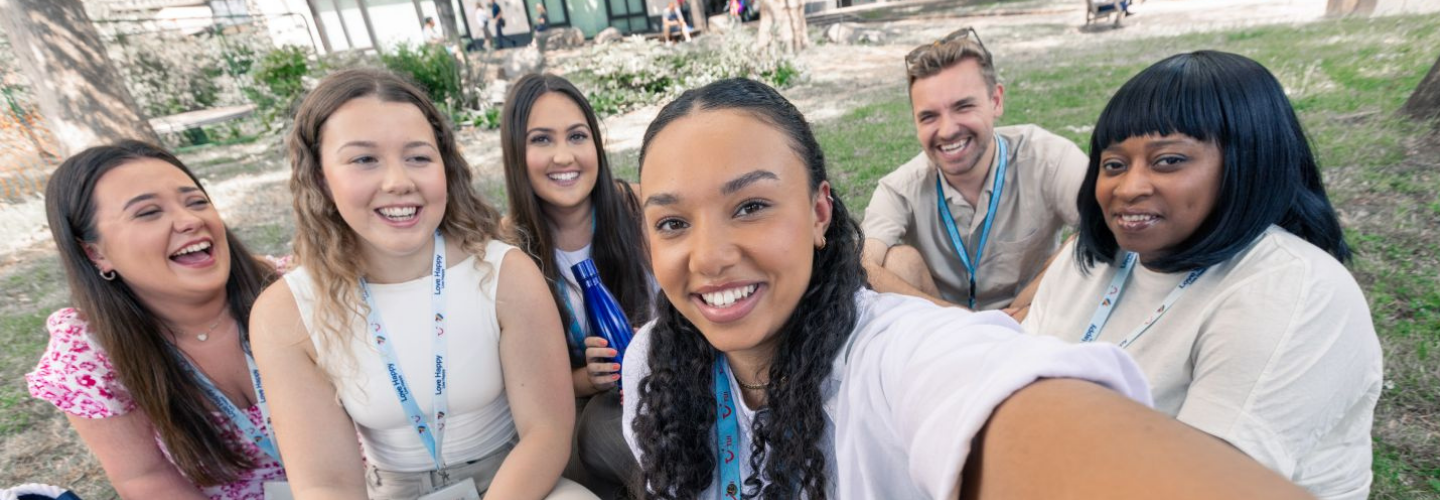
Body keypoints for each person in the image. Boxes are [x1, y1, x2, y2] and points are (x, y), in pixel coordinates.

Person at [620, 77, 1312, 499]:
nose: (708, 256)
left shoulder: (893, 360)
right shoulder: (652, 362)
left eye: (751, 206)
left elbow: (997, 400)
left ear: (820, 212)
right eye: (673, 222)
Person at [1022, 51, 1381, 500]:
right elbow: (1018, 375)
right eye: (1113, 164)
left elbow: (1198, 487)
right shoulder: (1092, 258)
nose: (1128, 187)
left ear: (1247, 164)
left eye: (1168, 160)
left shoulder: (1292, 292)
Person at [249, 68, 594, 500]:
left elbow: (546, 435)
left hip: (516, 483)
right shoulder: (287, 311)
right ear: (320, 177)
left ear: (444, 167)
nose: (398, 182)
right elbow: (326, 483)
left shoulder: (504, 271)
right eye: (364, 159)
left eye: (418, 157)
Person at [26, 140, 287, 499]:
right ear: (95, 252)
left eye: (196, 201)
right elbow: (144, 478)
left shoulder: (291, 289)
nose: (191, 220)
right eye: (148, 212)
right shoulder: (90, 356)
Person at [861, 28, 1087, 318]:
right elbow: (863, 267)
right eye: (929, 116)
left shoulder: (1048, 158)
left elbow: (1110, 229)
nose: (947, 130)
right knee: (897, 261)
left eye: (963, 107)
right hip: (945, 329)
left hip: (1034, 315)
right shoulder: (901, 187)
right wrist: (972, 325)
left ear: (996, 101)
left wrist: (1026, 308)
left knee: (1086, 242)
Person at [500, 73, 649, 498]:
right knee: (614, 431)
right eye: (541, 140)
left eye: (577, 136)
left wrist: (659, 341)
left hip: (661, 383)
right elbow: (516, 388)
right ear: (516, 153)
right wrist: (587, 378)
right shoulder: (509, 249)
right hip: (574, 414)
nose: (563, 156)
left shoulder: (638, 210)